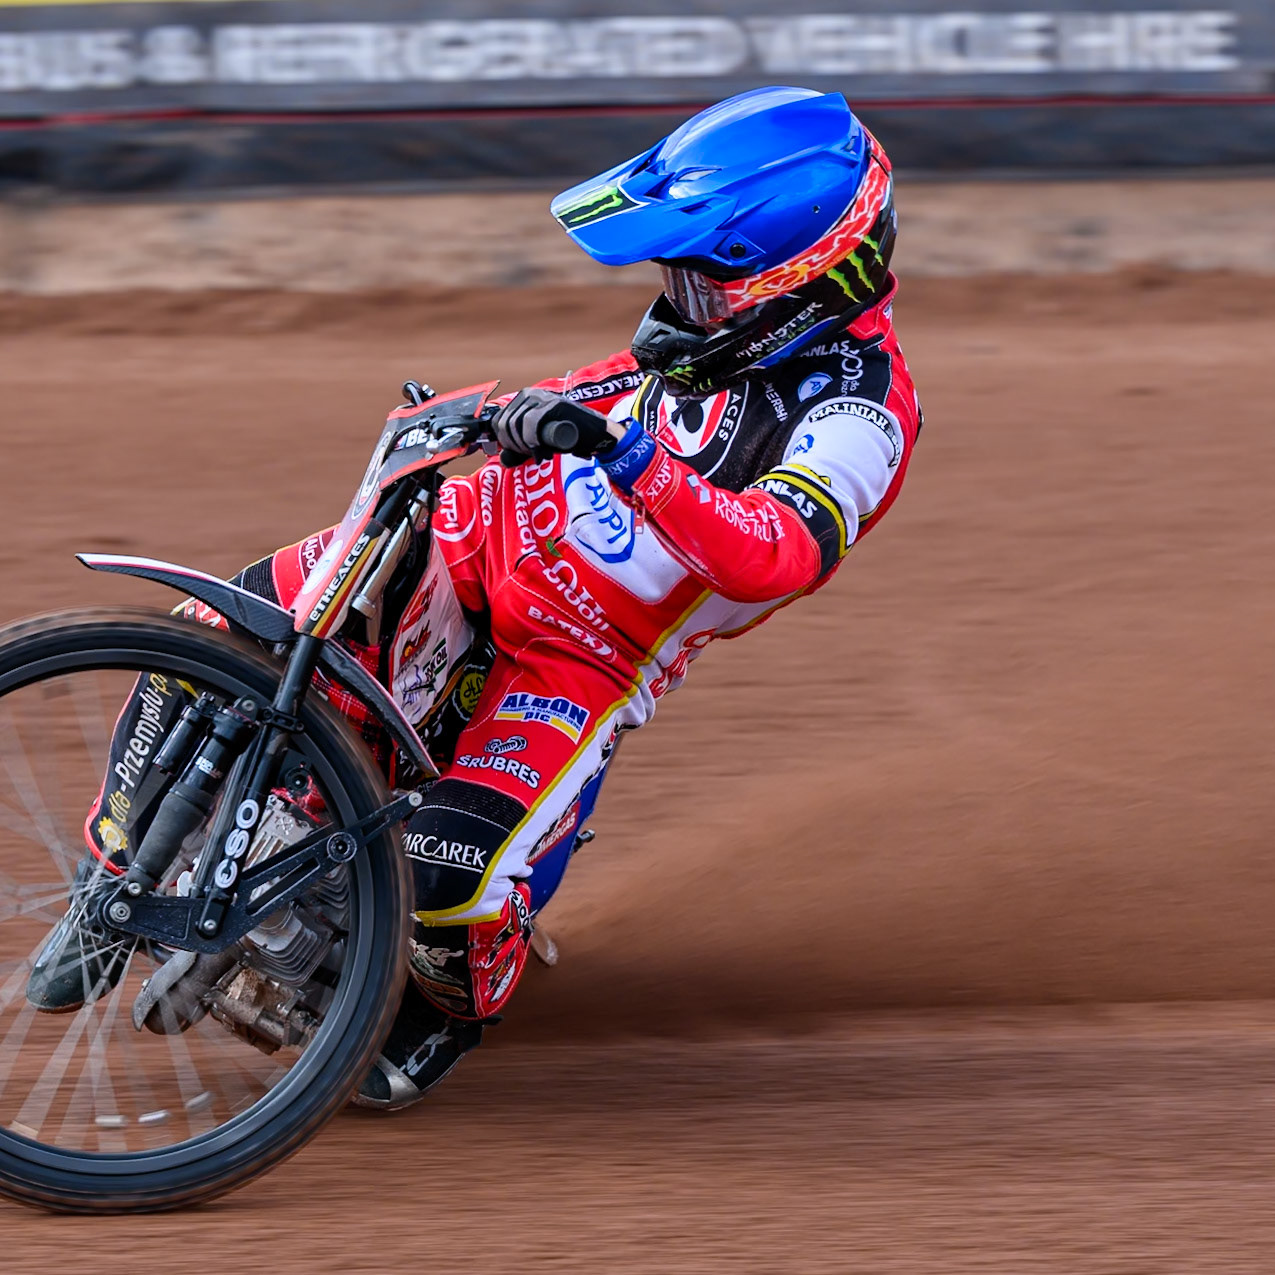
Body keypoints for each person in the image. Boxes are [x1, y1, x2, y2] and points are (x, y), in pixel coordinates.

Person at [58, 86, 922, 1111]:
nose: (676, 301)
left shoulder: (860, 415)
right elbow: (602, 389)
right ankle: (103, 875)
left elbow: (773, 554)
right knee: (209, 634)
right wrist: (494, 410)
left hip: (582, 662)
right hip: (468, 544)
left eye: (704, 286)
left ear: (799, 290)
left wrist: (628, 454)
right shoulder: (714, 338)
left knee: (447, 878)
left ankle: (442, 1018)